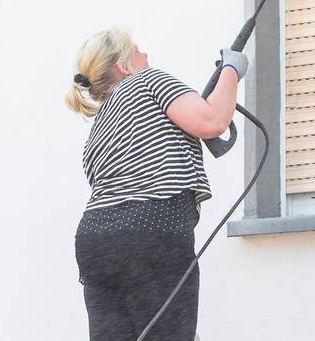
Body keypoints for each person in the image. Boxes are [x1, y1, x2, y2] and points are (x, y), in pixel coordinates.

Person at [65, 25, 246, 341]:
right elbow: (212, 121)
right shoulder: (148, 80)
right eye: (137, 49)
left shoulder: (99, 126)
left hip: (95, 240)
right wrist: (232, 69)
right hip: (152, 227)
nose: (145, 54)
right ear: (124, 65)